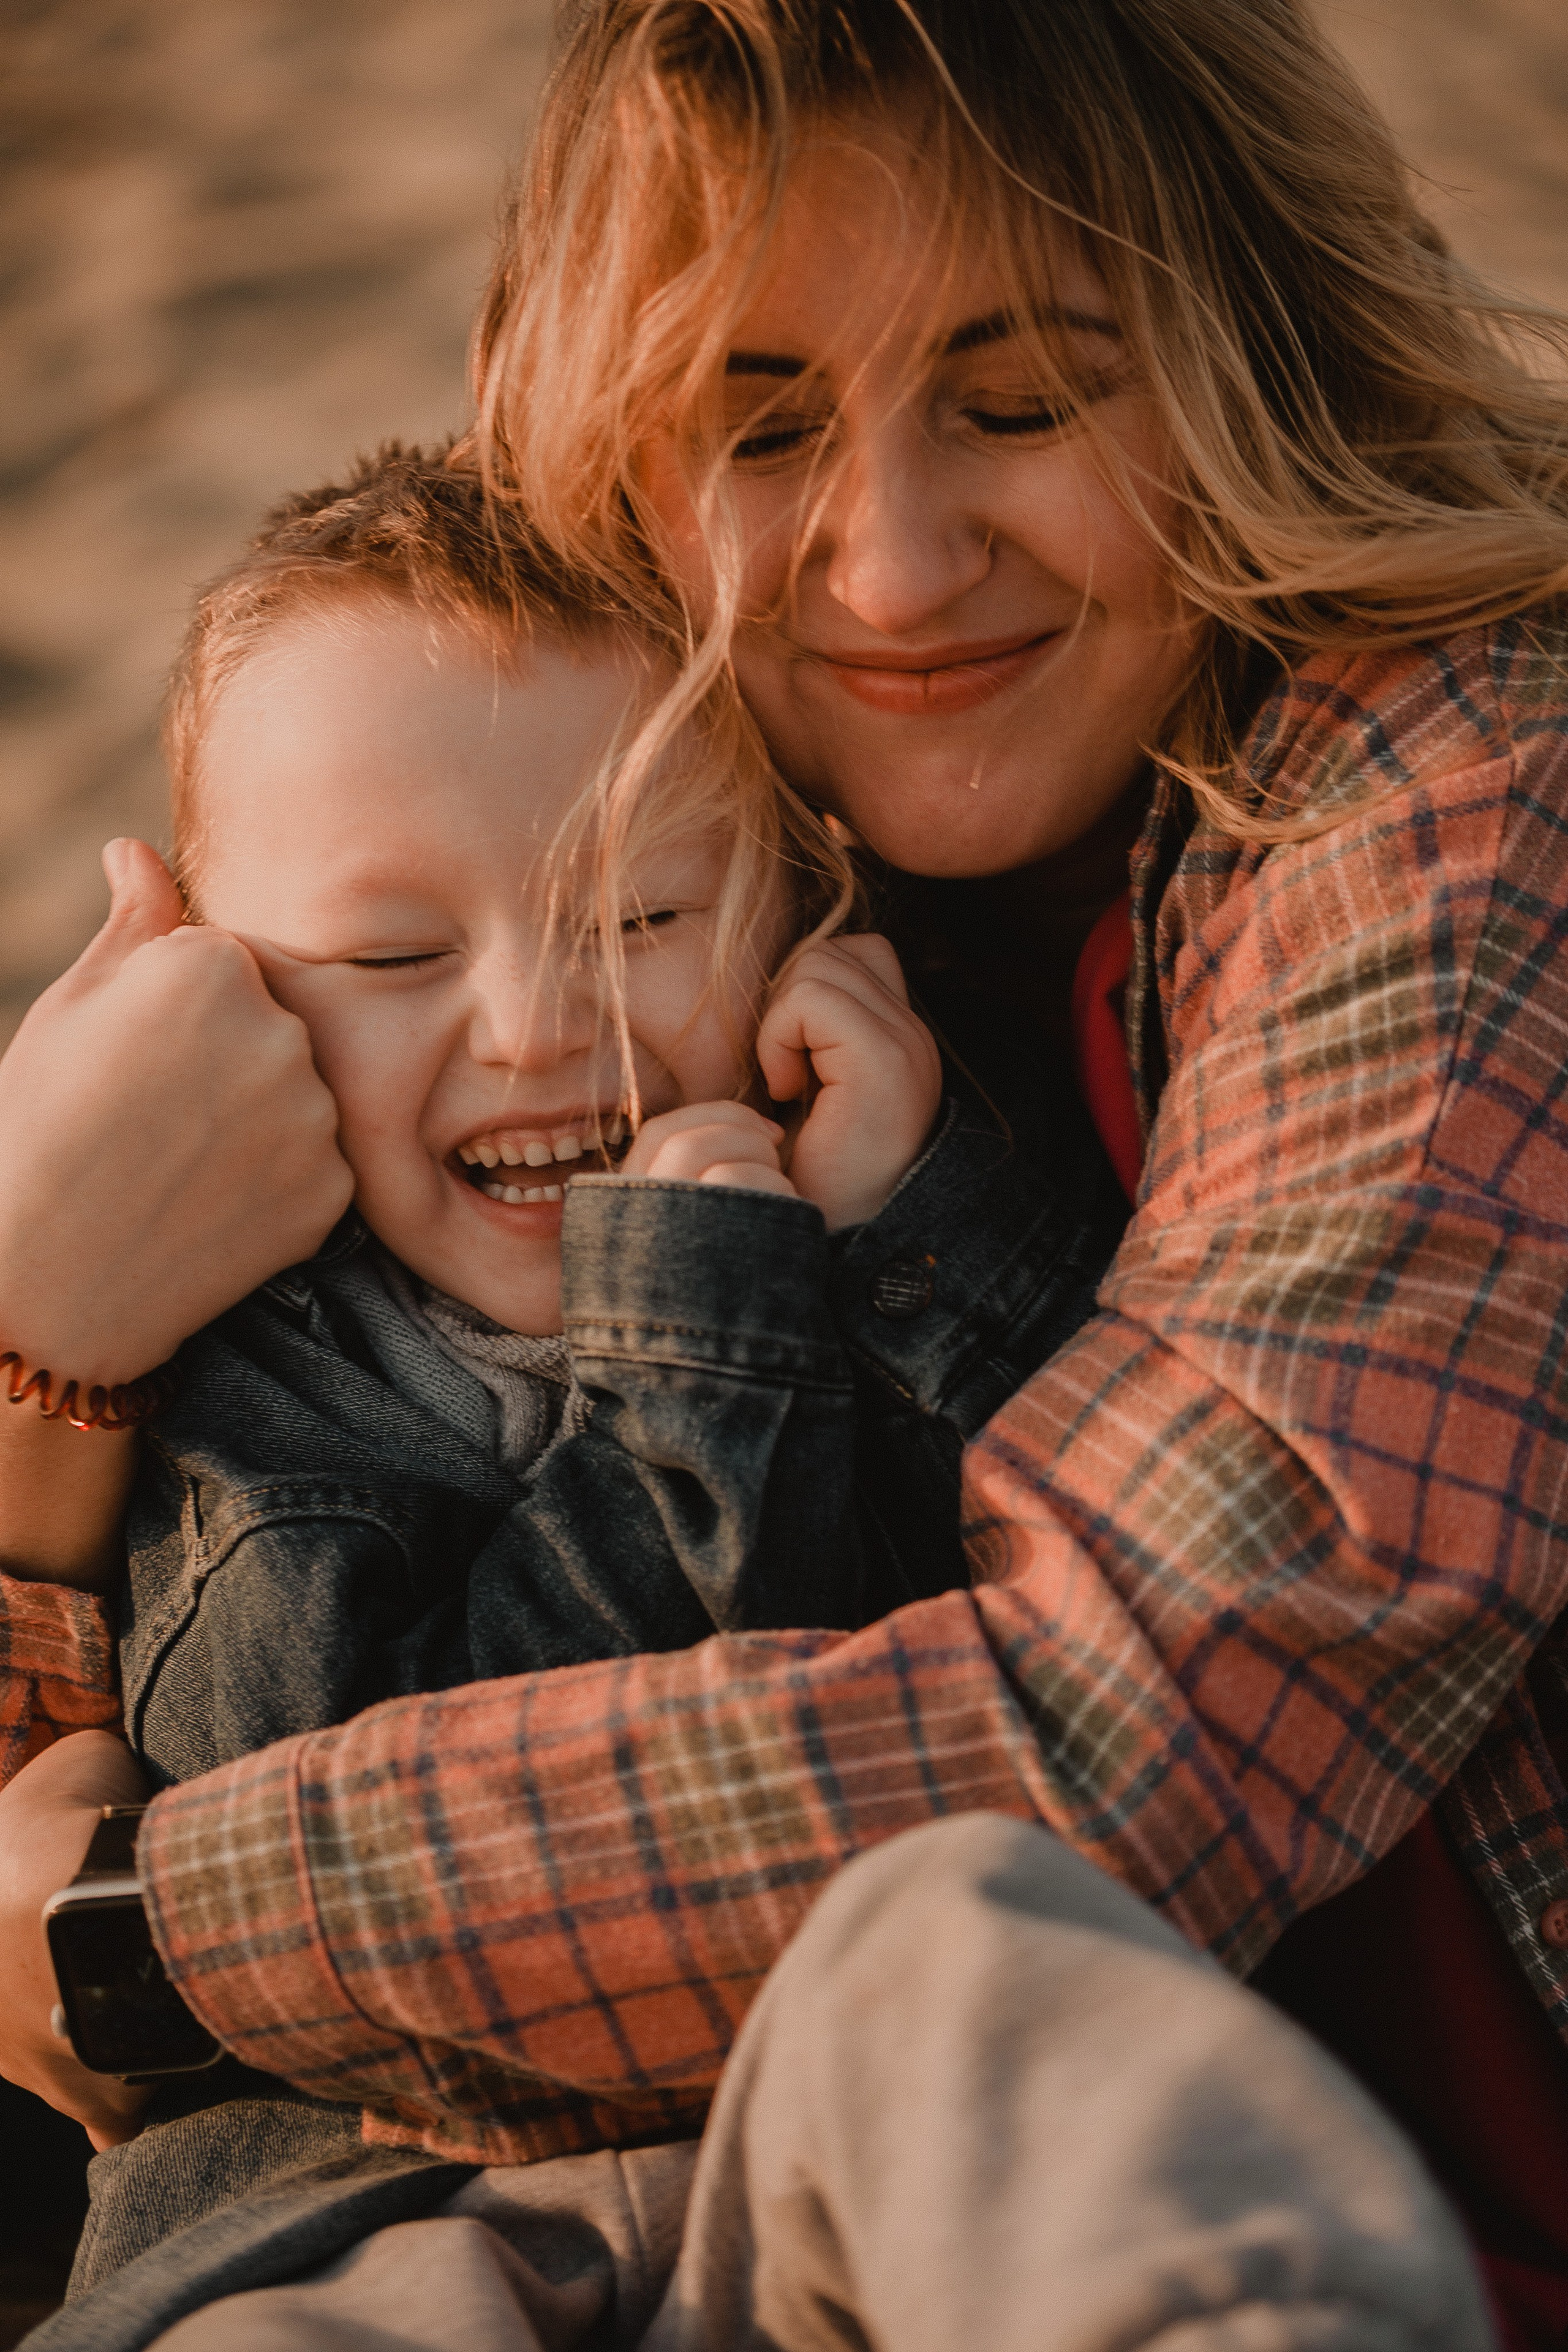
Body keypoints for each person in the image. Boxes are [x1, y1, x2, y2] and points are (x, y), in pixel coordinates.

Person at [3, 0, 1567, 2340]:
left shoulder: (1455, 802)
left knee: (955, 1965)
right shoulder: (668, 759)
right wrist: (37, 1330)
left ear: (1250, 362)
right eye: (755, 425)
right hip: (413, 2213)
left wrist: (151, 1934)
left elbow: (1130, 1724)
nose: (897, 567)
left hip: (1322, 2177)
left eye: (1022, 403)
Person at [13, 437, 1118, 1793]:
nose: (533, 1030)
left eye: (637, 918)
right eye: (391, 957)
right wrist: (701, 1345)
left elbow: (1107, 1577)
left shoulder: (939, 1117)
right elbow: (382, 1817)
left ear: (804, 904)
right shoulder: (267, 1410)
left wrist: (895, 1228)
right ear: (212, 991)